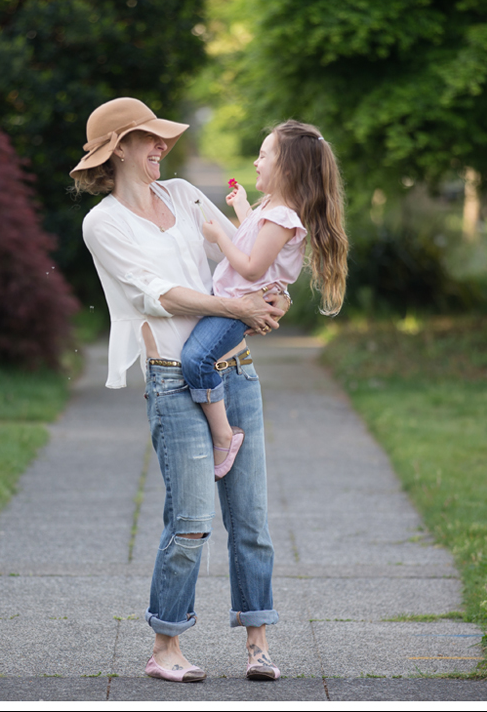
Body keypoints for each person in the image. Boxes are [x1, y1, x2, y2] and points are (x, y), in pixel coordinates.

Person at [71, 97, 289, 683]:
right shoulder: (103, 223)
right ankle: (166, 648)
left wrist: (270, 293)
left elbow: (246, 258)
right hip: (172, 379)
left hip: (235, 371)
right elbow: (156, 293)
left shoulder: (186, 195)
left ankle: (258, 644)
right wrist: (233, 306)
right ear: (119, 148)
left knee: (252, 519)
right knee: (190, 519)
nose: (163, 146)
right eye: (151, 139)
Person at [182, 121, 348, 479]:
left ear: (288, 168)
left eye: (263, 155)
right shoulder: (272, 211)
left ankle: (224, 435)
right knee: (198, 357)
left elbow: (253, 268)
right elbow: (253, 237)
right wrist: (243, 207)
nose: (256, 162)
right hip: (231, 300)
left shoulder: (283, 217)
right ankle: (221, 429)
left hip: (236, 307)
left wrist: (216, 236)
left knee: (195, 359)